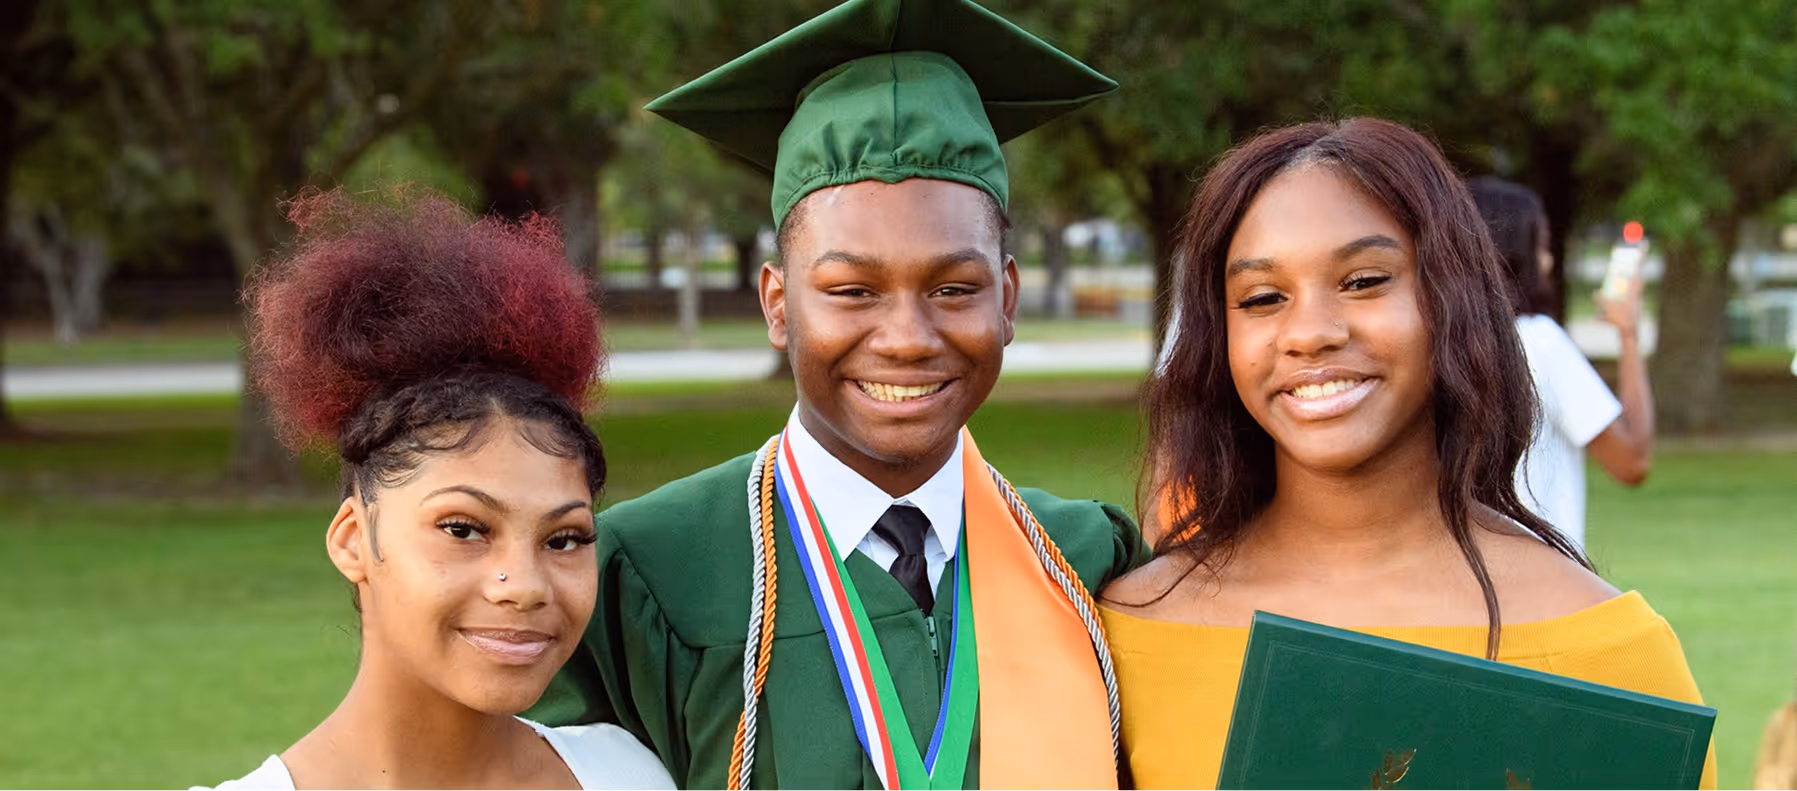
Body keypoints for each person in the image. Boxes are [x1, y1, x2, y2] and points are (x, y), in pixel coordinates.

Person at [526, 1, 1148, 788]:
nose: (906, 336)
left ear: (1009, 299)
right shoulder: (647, 574)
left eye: (955, 287)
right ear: (778, 305)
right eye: (851, 290)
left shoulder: (1085, 559)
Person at [1099, 119, 1714, 789]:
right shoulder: (1127, 634)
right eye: (1263, 298)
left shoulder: (1611, 654)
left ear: (1452, 300)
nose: (1309, 333)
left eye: (1363, 280)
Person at [204, 190, 673, 790]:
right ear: (353, 540)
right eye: (464, 529)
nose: (526, 586)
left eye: (564, 539)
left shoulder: (626, 773)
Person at [1468, 177, 1654, 551]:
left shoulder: (1430, 346)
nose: (1548, 261)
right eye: (1542, 247)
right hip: (1542, 588)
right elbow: (1631, 461)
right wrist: (1628, 334)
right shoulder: (1538, 342)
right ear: (1515, 255)